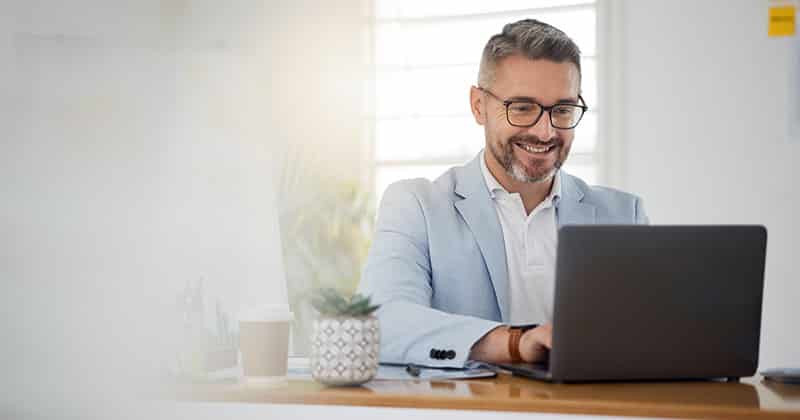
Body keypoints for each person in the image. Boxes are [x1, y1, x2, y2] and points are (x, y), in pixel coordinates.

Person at [358, 19, 648, 368]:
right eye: (522, 108)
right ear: (479, 105)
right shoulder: (417, 207)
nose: (545, 131)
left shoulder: (622, 215)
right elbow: (382, 322)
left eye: (563, 110)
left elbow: (652, 336)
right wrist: (515, 344)